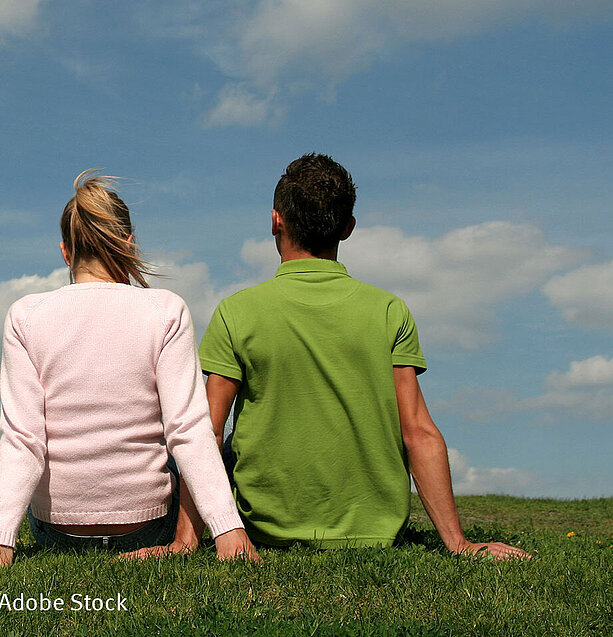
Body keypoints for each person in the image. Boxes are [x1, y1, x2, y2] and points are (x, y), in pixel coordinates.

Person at [149, 154, 530, 560]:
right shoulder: (389, 311)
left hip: (268, 530)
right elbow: (418, 432)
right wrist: (459, 543)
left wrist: (185, 541)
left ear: (276, 221)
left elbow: (205, 431)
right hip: (376, 534)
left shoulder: (236, 312)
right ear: (348, 227)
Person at [0, 171, 258, 567]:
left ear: (65, 252)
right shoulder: (166, 310)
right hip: (145, 527)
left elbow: (23, 437)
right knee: (195, 446)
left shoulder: (25, 315)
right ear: (129, 243)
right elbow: (188, 428)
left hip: (58, 532)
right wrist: (228, 528)